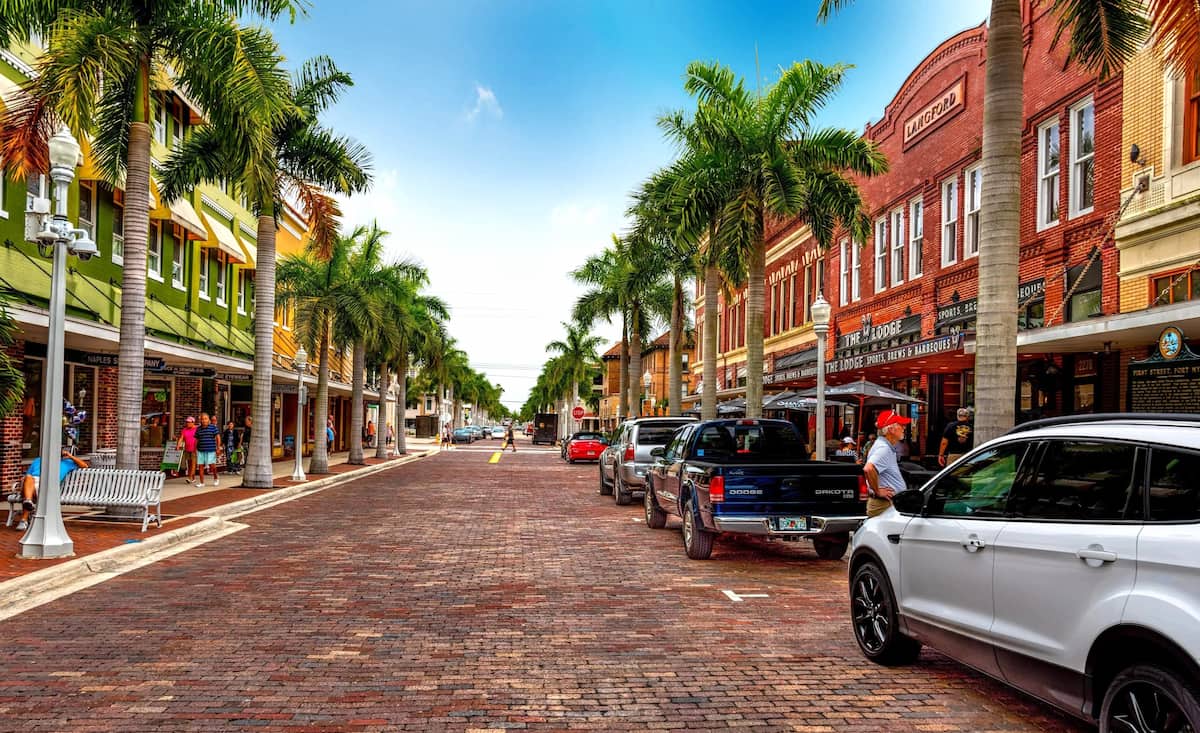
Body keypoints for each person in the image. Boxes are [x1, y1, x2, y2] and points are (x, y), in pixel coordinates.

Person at [15, 449, 89, 531]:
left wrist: (70, 456)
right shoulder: (38, 460)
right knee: (28, 478)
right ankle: (28, 502)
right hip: (32, 482)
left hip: (48, 484)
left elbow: (84, 465)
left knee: (28, 494)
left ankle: (24, 519)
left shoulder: (67, 463)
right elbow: (28, 475)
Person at [863, 410, 911, 518]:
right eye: (900, 425)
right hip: (884, 504)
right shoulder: (883, 448)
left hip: (885, 504)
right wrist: (878, 491)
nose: (904, 428)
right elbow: (869, 468)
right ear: (891, 429)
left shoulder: (884, 446)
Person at [194, 412, 222, 487]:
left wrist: (218, 448)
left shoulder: (213, 427)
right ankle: (202, 482)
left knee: (212, 466)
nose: (204, 420)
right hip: (200, 450)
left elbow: (218, 438)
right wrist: (194, 449)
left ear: (208, 419)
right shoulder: (198, 429)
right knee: (200, 466)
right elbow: (196, 439)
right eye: (202, 419)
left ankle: (216, 478)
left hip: (211, 450)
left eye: (205, 419)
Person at [177, 416, 198, 483]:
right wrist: (178, 445)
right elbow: (181, 438)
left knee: (193, 463)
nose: (187, 423)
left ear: (193, 422)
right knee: (189, 464)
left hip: (195, 449)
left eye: (189, 422)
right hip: (187, 449)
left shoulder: (197, 429)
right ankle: (193, 478)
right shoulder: (184, 430)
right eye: (187, 422)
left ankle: (189, 477)